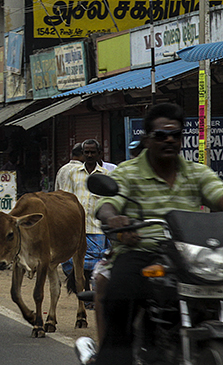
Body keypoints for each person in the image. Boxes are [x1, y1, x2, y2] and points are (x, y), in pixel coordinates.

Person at [91, 102, 223, 365]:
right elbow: (106, 205)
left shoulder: (196, 173)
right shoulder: (129, 173)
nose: (169, 140)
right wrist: (114, 219)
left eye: (175, 135)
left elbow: (217, 194)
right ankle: (114, 358)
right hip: (141, 252)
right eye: (161, 135)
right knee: (121, 295)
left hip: (190, 256)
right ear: (148, 139)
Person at [57, 138, 111, 292]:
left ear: (99, 154)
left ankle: (93, 295)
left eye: (92, 152)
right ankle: (83, 290)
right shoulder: (73, 173)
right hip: (76, 228)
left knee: (95, 264)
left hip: (96, 228)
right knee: (69, 261)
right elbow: (65, 198)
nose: (89, 155)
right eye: (86, 152)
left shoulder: (105, 175)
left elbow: (109, 201)